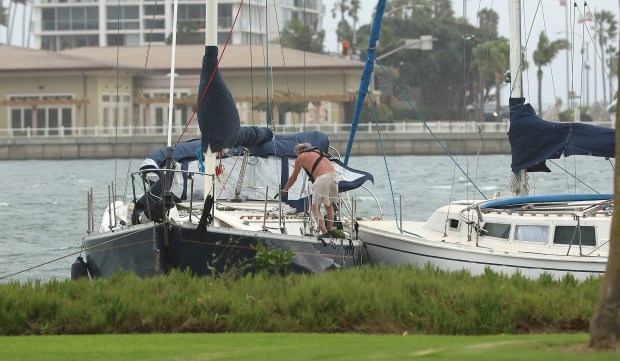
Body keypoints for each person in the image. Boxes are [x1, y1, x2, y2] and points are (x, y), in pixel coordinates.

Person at [281, 143, 339, 239]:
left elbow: (293, 177)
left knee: (315, 208)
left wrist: (285, 189)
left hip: (322, 178)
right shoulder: (319, 151)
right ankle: (330, 231)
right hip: (334, 176)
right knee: (329, 206)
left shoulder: (301, 157)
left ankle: (325, 233)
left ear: (298, 151)